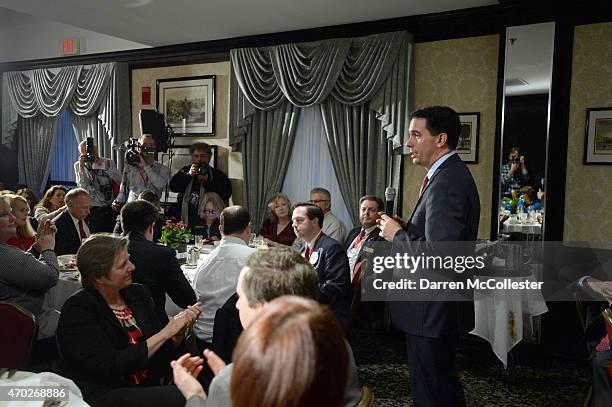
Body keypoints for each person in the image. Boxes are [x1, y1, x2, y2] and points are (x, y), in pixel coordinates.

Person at [378, 106, 480, 407]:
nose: (408, 143)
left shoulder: (446, 182)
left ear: (440, 139)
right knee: (439, 386)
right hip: (436, 308)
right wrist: (408, 228)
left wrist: (397, 236)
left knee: (433, 392)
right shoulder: (449, 174)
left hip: (431, 309)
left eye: (415, 134)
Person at [171, 248, 361, 407]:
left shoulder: (239, 377)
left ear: (263, 306)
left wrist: (194, 394)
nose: (236, 306)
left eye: (240, 297)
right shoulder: (340, 346)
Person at [56, 234, 202, 407]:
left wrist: (177, 335)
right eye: (123, 265)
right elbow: (110, 367)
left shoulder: (137, 293)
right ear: (98, 278)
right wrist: (165, 333)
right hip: (104, 392)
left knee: (203, 377)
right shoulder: (79, 309)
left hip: (144, 383)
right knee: (184, 397)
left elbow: (155, 352)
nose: (132, 267)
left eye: (129, 260)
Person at [121, 200, 196, 325]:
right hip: (152, 325)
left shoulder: (109, 251)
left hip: (115, 325)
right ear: (151, 227)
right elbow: (187, 299)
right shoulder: (161, 254)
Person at [192, 206, 254, 352]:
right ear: (248, 228)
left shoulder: (205, 262)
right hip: (237, 340)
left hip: (203, 337)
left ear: (220, 229)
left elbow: (195, 296)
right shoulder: (255, 259)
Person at [0, 195, 60, 339]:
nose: (12, 219)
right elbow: (50, 277)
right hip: (20, 333)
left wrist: (38, 248)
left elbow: (18, 267)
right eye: (4, 215)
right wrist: (48, 248)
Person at [292, 202, 351, 331]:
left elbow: (336, 287)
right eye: (293, 221)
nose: (294, 225)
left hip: (327, 315)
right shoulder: (304, 248)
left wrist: (300, 290)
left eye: (299, 220)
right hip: (310, 308)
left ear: (314, 222)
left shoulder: (332, 248)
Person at [169, 142, 231, 228]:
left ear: (209, 158)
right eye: (196, 156)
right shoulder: (186, 170)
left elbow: (226, 194)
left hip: (208, 215)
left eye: (202, 156)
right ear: (192, 157)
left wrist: (208, 181)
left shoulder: (217, 174)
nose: (199, 159)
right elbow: (173, 187)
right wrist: (188, 176)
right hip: (186, 213)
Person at [74, 138, 122, 233]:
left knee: (110, 238)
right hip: (93, 209)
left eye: (91, 150)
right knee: (94, 239)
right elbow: (82, 189)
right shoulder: (78, 166)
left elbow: (119, 180)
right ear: (81, 154)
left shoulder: (108, 162)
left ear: (96, 149)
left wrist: (105, 168)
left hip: (109, 208)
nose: (90, 154)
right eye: (85, 152)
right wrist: (81, 169)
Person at [112, 134, 170, 209]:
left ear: (155, 147)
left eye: (151, 145)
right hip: (132, 209)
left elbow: (159, 184)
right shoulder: (130, 167)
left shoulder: (163, 169)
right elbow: (124, 186)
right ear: (138, 147)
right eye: (145, 144)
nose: (148, 147)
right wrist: (118, 200)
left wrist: (145, 166)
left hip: (151, 210)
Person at [344, 195, 385, 279]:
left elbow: (381, 272)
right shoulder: (353, 232)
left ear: (380, 214)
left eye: (372, 210)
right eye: (363, 209)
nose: (366, 213)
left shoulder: (383, 237)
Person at [53, 188, 92, 256]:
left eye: (89, 207)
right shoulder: (58, 225)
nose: (88, 212)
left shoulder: (88, 217)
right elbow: (62, 256)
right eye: (84, 208)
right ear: (70, 205)